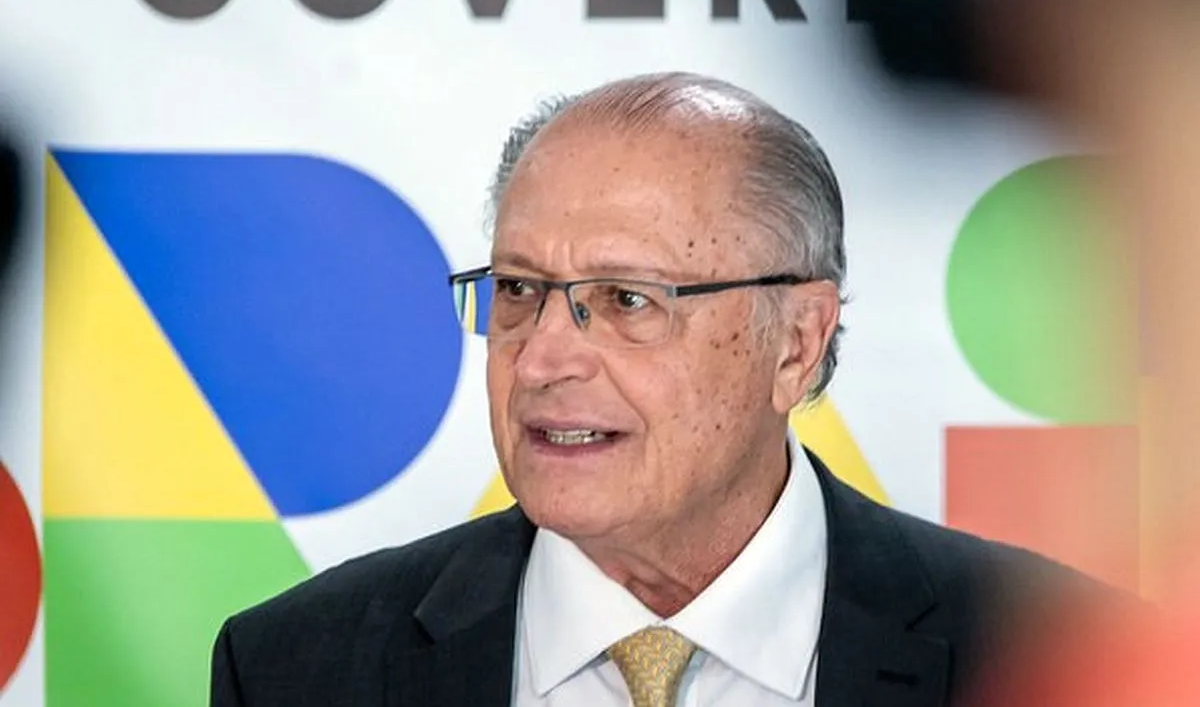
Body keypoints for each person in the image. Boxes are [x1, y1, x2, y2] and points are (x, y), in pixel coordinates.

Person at [209, 72, 1121, 707]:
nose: (540, 360)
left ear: (796, 343)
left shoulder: (1057, 661)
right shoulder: (297, 668)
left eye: (626, 300)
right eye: (519, 290)